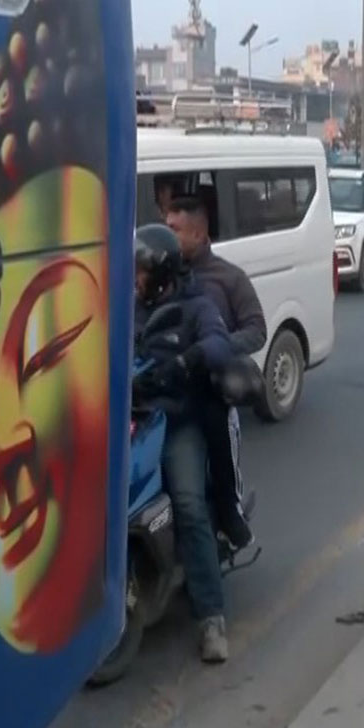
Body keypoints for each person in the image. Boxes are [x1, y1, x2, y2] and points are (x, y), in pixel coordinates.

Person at [133, 223, 235, 662]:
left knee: (189, 505)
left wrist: (186, 360)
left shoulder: (197, 305)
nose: (135, 279)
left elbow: (219, 344)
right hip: (131, 418)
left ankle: (211, 619)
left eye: (141, 271)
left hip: (176, 421)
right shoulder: (129, 307)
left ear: (161, 273)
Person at [166, 193, 264, 552]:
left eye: (174, 229)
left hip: (211, 389)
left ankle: (230, 515)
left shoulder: (229, 278)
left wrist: (214, 347)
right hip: (166, 389)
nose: (167, 235)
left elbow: (256, 330)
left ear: (197, 233)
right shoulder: (160, 278)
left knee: (220, 428)